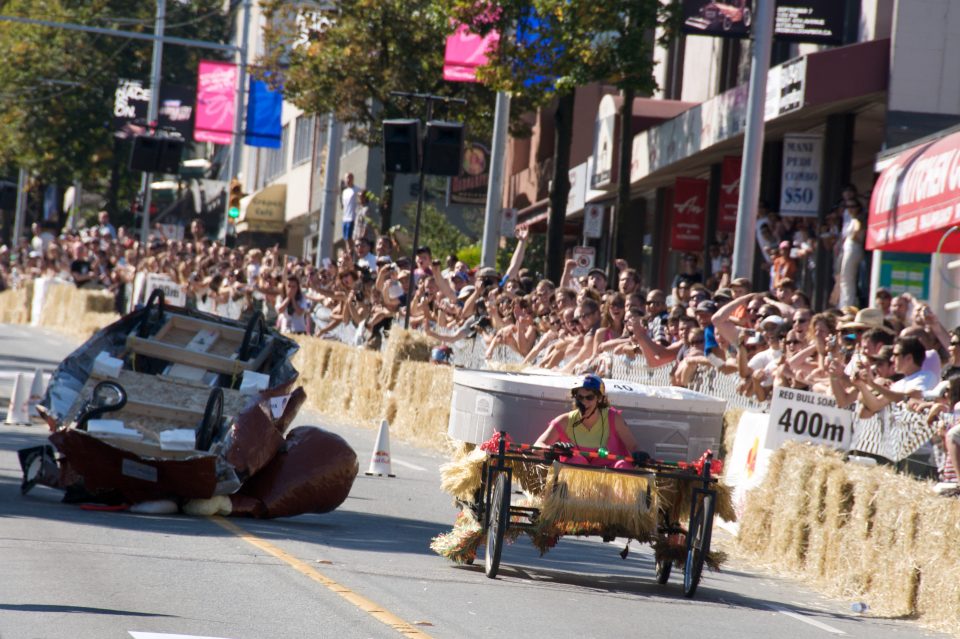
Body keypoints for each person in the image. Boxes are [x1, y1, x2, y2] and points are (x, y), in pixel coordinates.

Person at [533, 375, 645, 469]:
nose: (584, 402)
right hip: (575, 486)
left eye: (589, 397)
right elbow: (537, 446)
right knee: (576, 461)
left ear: (600, 399)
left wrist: (639, 455)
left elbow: (634, 447)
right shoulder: (564, 421)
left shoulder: (614, 418)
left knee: (622, 465)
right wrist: (551, 450)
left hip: (610, 481)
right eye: (579, 397)